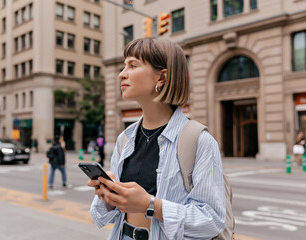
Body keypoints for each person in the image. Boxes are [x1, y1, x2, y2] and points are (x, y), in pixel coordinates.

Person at [87, 38, 225, 239]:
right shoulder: (125, 139)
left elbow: (212, 220)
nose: (121, 74)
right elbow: (106, 216)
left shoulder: (198, 140)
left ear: (162, 78)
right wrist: (109, 196)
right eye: (124, 65)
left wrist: (150, 205)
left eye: (133, 65)